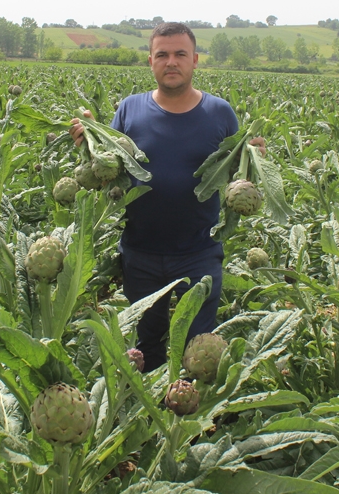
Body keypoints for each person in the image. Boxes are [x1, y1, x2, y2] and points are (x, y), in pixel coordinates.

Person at [70, 22, 264, 372]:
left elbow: (236, 173)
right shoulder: (129, 109)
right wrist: (91, 140)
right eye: (162, 55)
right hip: (140, 252)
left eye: (180, 54)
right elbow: (112, 169)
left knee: (199, 346)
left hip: (200, 252)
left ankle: (193, 418)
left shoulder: (220, 113)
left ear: (195, 61)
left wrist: (253, 161)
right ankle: (150, 415)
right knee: (147, 343)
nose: (171, 62)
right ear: (150, 61)